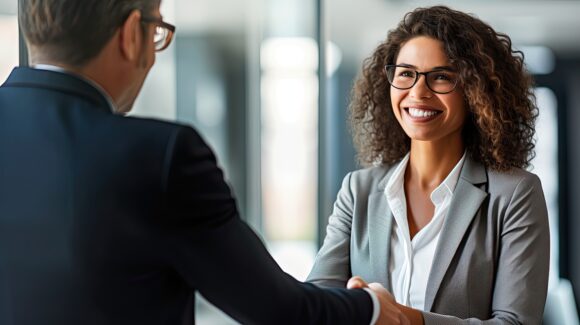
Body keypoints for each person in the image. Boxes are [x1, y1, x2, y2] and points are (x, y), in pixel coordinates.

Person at [0, 0, 407, 324]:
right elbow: (276, 308)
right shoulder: (159, 156)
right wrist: (369, 308)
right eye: (158, 32)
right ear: (129, 35)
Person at [307, 5, 550, 325]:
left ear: (475, 92)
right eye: (406, 73)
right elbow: (317, 300)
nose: (418, 92)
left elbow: (516, 322)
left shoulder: (514, 194)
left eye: (441, 77)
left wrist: (402, 318)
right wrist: (348, 302)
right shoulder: (358, 190)